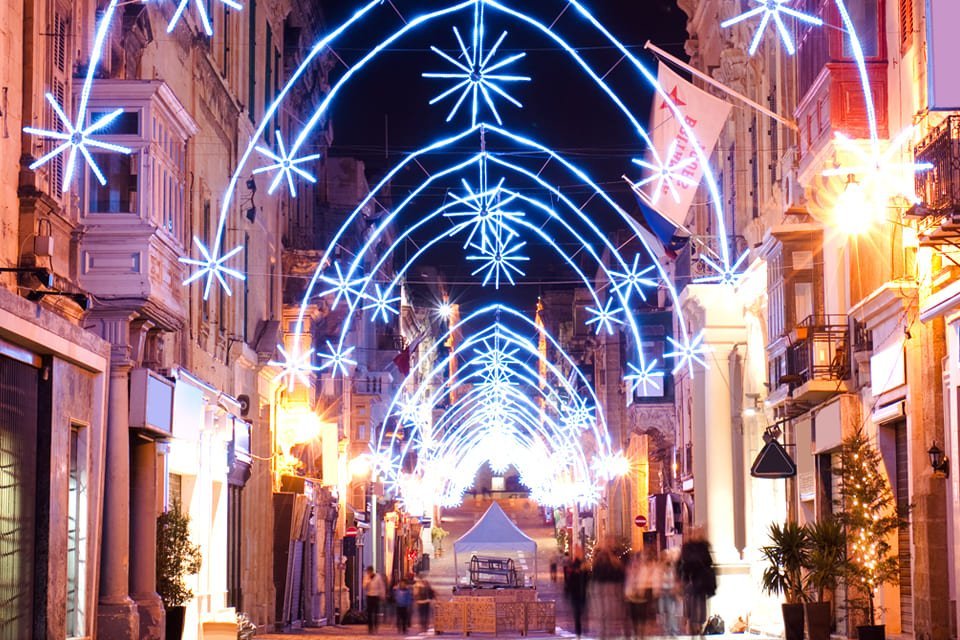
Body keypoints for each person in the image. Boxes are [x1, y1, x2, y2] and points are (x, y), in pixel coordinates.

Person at [679, 530, 717, 635]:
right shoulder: (690, 548)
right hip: (693, 582)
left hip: (698, 582)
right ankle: (695, 626)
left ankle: (697, 626)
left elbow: (685, 565)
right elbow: (685, 565)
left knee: (697, 606)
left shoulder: (698, 547)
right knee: (694, 606)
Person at [591, 541, 626, 639]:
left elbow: (595, 574)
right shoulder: (612, 562)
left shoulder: (601, 562)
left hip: (606, 587)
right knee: (607, 612)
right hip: (607, 587)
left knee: (606, 613)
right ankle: (606, 633)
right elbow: (619, 575)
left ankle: (605, 633)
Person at [564, 557, 589, 638]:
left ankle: (580, 631)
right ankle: (579, 631)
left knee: (578, 614)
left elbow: (568, 586)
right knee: (578, 614)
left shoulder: (577, 575)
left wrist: (567, 593)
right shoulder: (583, 575)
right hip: (580, 597)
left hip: (577, 597)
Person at [363, 566, 387, 633]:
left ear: (372, 571)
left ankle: (376, 627)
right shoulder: (366, 576)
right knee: (369, 613)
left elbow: (381, 586)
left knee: (376, 613)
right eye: (368, 571)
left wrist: (382, 595)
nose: (369, 572)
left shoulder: (378, 577)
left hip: (376, 596)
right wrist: (368, 581)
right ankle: (370, 628)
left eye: (369, 571)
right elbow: (364, 586)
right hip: (369, 596)